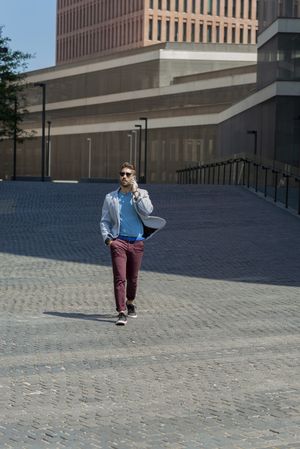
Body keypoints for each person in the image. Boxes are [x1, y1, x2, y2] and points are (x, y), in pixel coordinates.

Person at [100, 162, 166, 326]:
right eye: (122, 173)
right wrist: (108, 240)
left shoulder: (142, 193)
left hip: (137, 242)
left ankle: (130, 302)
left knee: (133, 278)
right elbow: (105, 220)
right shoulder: (111, 197)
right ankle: (121, 311)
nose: (124, 176)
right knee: (120, 277)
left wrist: (136, 193)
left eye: (128, 174)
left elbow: (147, 211)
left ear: (133, 177)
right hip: (119, 242)